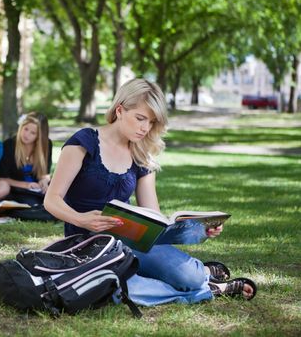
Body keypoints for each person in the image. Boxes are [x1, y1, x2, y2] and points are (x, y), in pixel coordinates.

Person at [44, 78, 256, 306]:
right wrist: (81, 219)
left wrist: (199, 230)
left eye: (151, 122)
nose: (145, 128)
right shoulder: (83, 143)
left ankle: (199, 275)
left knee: (189, 277)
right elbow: (51, 200)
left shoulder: (141, 154)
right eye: (140, 118)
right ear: (120, 111)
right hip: (88, 245)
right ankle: (210, 287)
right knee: (121, 290)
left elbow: (152, 214)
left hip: (131, 240)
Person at [0, 112, 53, 205]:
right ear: (21, 127)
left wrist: (44, 180)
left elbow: (45, 174)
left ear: (40, 136)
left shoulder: (46, 145)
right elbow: (3, 178)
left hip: (37, 189)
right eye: (26, 129)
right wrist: (27, 185)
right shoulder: (9, 145)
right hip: (17, 189)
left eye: (33, 133)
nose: (26, 135)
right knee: (32, 203)